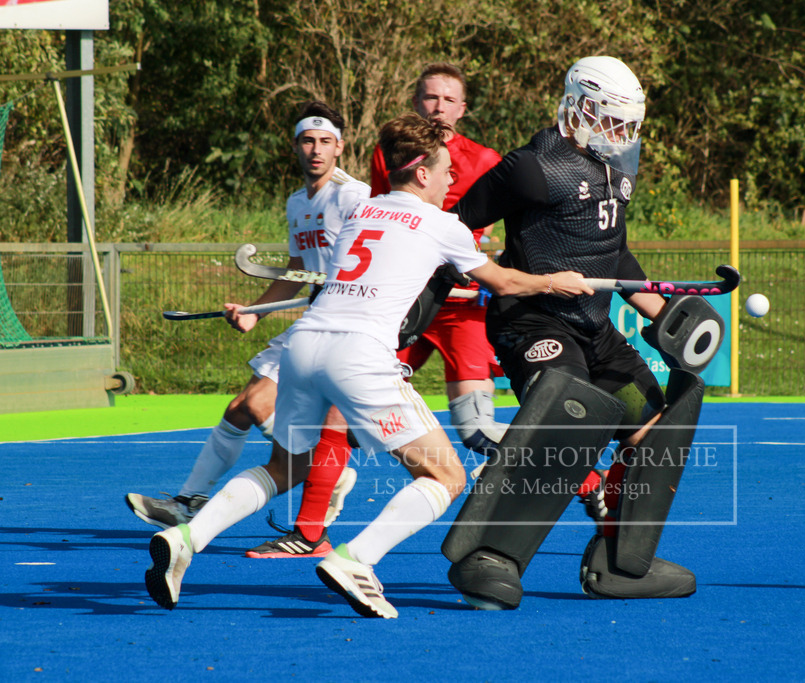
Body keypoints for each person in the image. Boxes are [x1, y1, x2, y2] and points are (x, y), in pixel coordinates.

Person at [142, 112, 592, 618]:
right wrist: (557, 281)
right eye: (446, 171)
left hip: (305, 346)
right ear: (422, 173)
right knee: (445, 476)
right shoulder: (442, 224)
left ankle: (186, 537)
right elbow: (505, 283)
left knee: (285, 466)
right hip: (359, 354)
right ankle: (358, 560)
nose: (451, 181)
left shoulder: (362, 213)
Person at [442, 56, 725, 610]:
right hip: (532, 320)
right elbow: (455, 224)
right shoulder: (532, 165)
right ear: (579, 106)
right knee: (567, 410)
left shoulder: (616, 169)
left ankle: (618, 562)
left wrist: (658, 312)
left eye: (629, 123)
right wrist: (452, 275)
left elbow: (612, 252)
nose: (624, 133)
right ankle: (488, 556)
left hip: (595, 326)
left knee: (656, 432)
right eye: (613, 119)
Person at [126, 101, 367, 558]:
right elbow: (297, 271)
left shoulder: (354, 197)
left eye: (325, 142)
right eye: (307, 141)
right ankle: (188, 502)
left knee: (256, 403)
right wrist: (257, 311)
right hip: (311, 321)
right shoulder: (298, 201)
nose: (315, 150)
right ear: (295, 146)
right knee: (239, 408)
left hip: (341, 328)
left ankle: (320, 470)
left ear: (340, 146)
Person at [369, 63, 507, 455]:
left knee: (477, 432)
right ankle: (317, 510)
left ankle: (587, 481)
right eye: (431, 97)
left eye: (449, 100)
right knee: (348, 415)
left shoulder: (486, 161)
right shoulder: (388, 156)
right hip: (403, 303)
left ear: (462, 109)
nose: (439, 108)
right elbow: (378, 219)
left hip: (461, 307)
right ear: (416, 102)